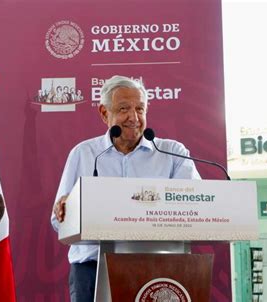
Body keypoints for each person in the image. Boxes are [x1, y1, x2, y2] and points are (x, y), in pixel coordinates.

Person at [51, 75, 200, 302]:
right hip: (92, 270)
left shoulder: (173, 154)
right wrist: (66, 211)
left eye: (140, 109)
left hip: (158, 267)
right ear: (104, 113)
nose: (134, 117)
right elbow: (58, 222)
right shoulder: (84, 154)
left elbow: (197, 208)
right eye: (123, 109)